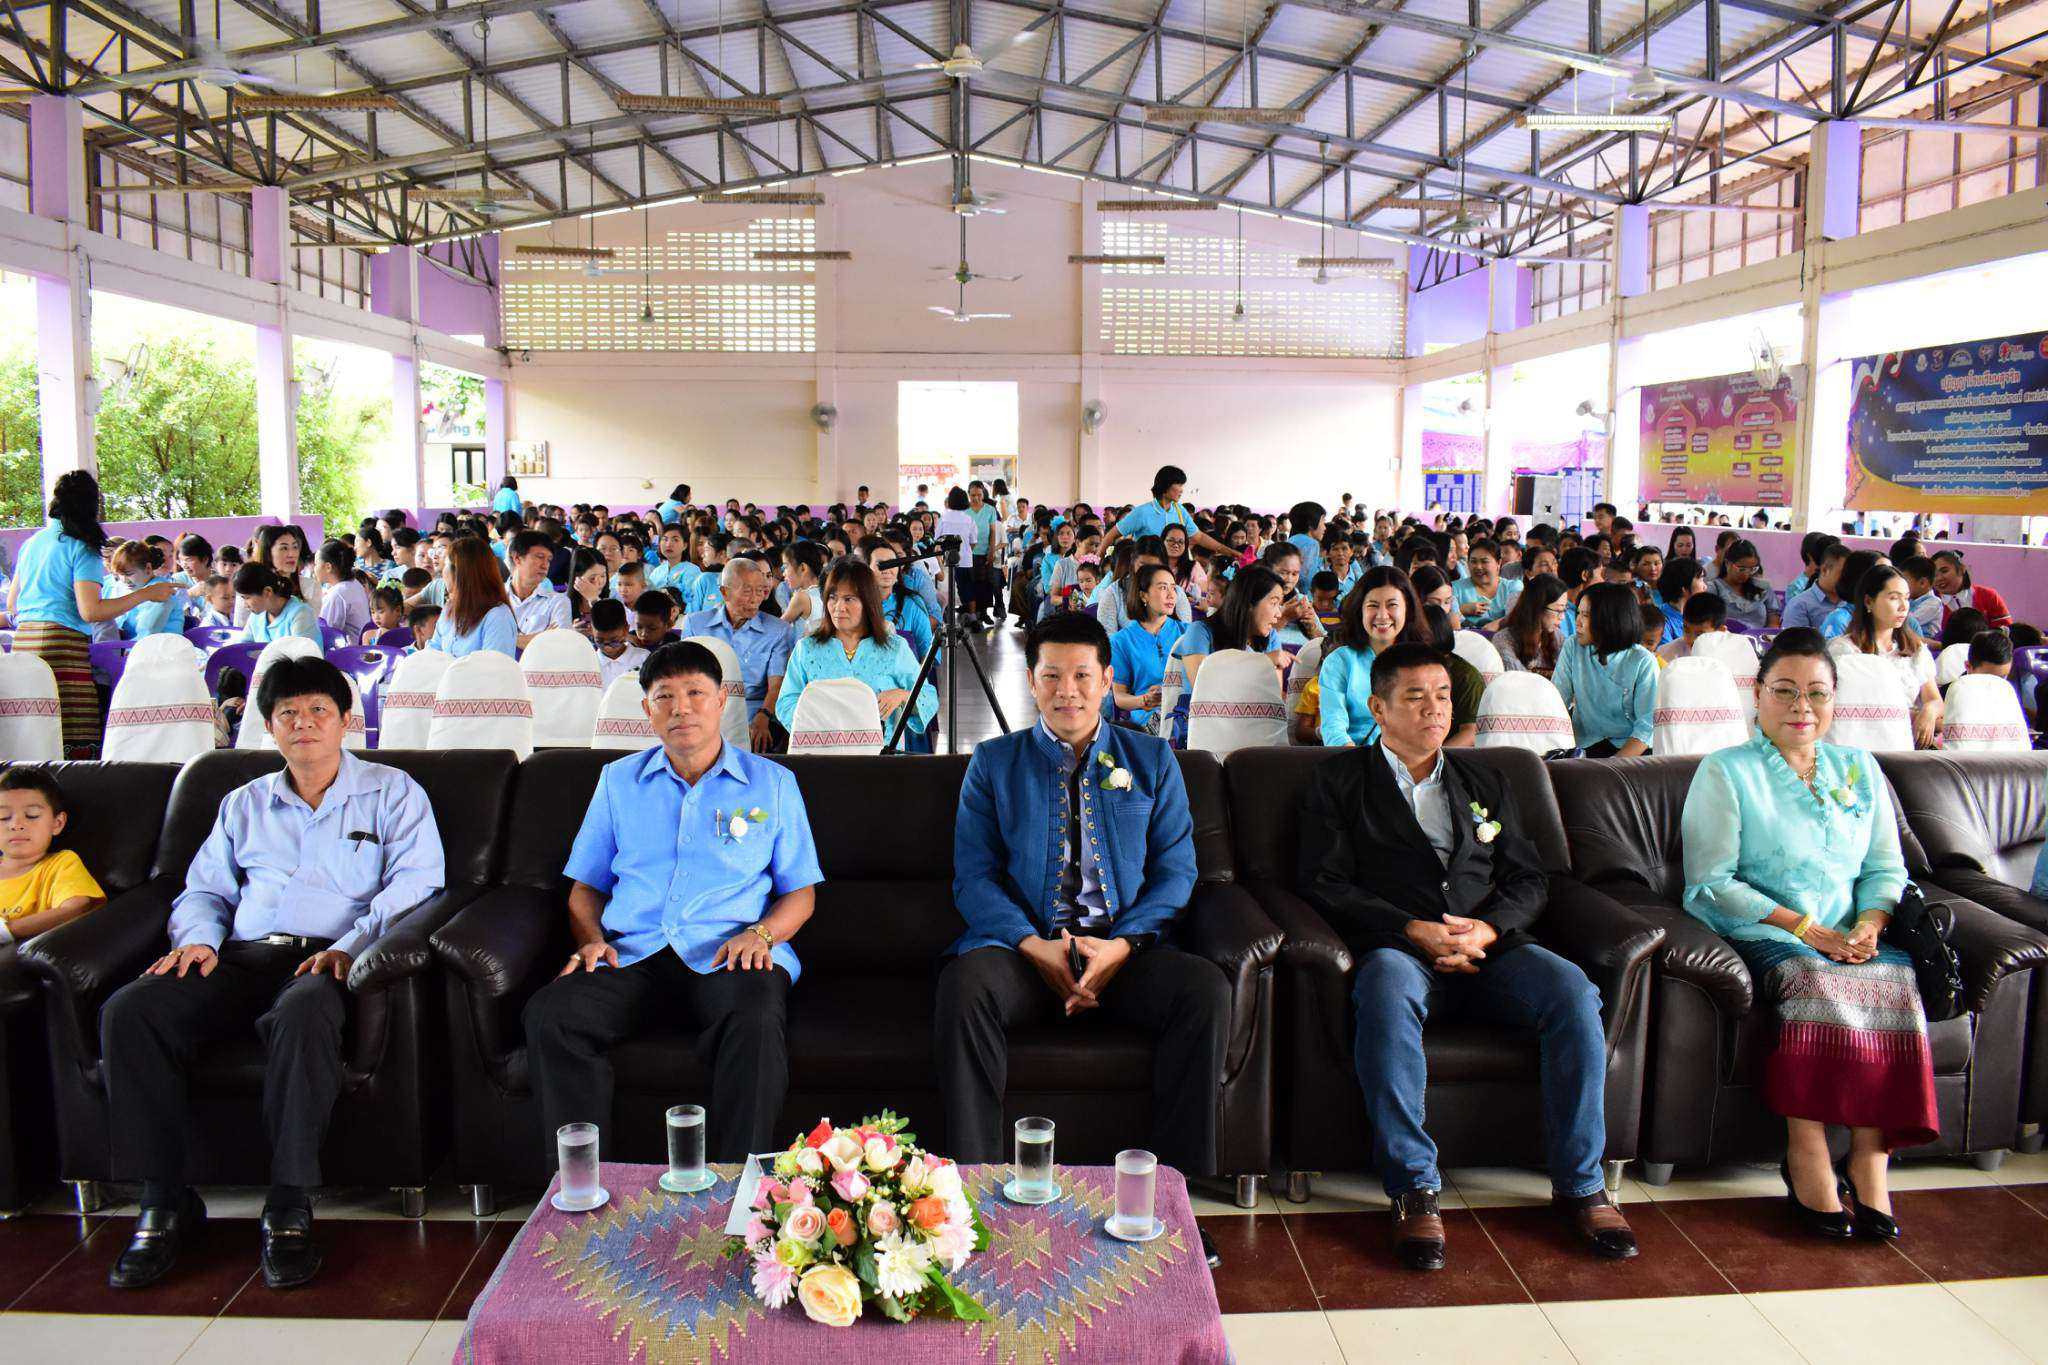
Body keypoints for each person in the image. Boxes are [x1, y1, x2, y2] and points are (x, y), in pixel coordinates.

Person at [97, 658, 445, 1289]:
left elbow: (417, 885)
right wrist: (199, 941)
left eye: (318, 712)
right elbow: (205, 889)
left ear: (346, 721)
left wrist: (352, 946)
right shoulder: (244, 803)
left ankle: (289, 1202)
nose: (303, 724)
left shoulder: (393, 792)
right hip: (241, 954)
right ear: (269, 726)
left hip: (331, 958)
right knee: (132, 1009)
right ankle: (164, 1200)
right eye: (289, 714)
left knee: (303, 1011)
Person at [1301, 641, 1636, 1269]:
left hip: (1491, 947)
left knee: (1573, 991)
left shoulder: (1487, 778)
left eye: (1443, 695)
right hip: (1400, 946)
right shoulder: (1339, 781)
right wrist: (1411, 928)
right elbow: (1325, 882)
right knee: (1384, 993)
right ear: (1378, 707)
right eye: (1415, 697)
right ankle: (1413, 1189)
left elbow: (1530, 878)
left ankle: (1582, 1184)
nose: (1435, 708)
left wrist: (1487, 929)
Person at [937, 613, 1228, 1175]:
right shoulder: (994, 763)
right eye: (1051, 676)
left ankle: (1175, 1186)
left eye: (1081, 675)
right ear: (1030, 681)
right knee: (964, 987)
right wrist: (1032, 945)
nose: (1066, 691)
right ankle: (973, 1185)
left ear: (1106, 679)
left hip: (1124, 952)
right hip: (1025, 954)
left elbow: (1177, 872)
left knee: (1204, 989)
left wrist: (1122, 946)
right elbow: (974, 878)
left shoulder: (1152, 760)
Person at [522, 642, 822, 1162]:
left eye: (695, 693)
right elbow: (585, 887)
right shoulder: (618, 781)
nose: (681, 708)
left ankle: (737, 1185)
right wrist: (590, 940)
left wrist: (762, 935)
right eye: (665, 697)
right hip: (633, 952)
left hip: (730, 952)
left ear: (722, 701)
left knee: (755, 1019)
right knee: (552, 1014)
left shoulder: (772, 783)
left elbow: (801, 892)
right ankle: (585, 1182)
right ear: (647, 709)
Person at [1682, 629, 1935, 1239]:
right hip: (1764, 928)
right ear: (1758, 695)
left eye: (1817, 693)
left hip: (1851, 930)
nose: (1802, 707)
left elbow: (1886, 868)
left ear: (1834, 700)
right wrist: (1806, 929)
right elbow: (1712, 880)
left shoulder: (1859, 768)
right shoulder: (1726, 771)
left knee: (1894, 980)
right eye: (1785, 691)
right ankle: (1808, 1152)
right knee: (1814, 979)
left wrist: (1870, 924)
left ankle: (1869, 1159)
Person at [5, 472, 179, 756]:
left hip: (24, 645)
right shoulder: (81, 548)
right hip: (60, 647)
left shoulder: (33, 543)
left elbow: (13, 605)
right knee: (72, 743)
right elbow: (91, 611)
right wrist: (145, 594)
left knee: (32, 739)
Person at [774, 559, 936, 745]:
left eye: (849, 599)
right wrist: (820, 721)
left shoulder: (894, 648)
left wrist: (902, 695)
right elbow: (786, 702)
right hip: (821, 753)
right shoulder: (806, 649)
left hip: (881, 755)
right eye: (832, 597)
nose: (839, 607)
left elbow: (928, 697)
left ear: (868, 602)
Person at [1165, 564, 1288, 747]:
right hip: (1207, 734)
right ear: (1248, 603)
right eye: (1274, 602)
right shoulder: (1200, 632)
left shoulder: (1270, 639)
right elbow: (1203, 685)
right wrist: (1262, 662)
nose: (1279, 614)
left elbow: (1273, 700)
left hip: (1256, 732)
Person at [0, 768, 106, 971]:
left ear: (57, 823)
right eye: (3, 817)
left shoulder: (61, 864)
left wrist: (8, 930)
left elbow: (75, 909)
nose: (16, 825)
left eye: (31, 816)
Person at [684, 558, 794, 753]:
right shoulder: (696, 625)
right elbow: (685, 679)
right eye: (747, 591)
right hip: (705, 709)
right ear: (724, 592)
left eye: (760, 591)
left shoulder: (778, 631)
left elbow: (776, 685)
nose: (755, 599)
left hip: (752, 711)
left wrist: (764, 716)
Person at [1317, 566, 1435, 749]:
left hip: (1411, 757)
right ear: (1360, 610)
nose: (1382, 615)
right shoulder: (1339, 662)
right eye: (1373, 605)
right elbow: (1333, 727)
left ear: (1408, 609)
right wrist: (1356, 761)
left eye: (1392, 605)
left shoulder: (1424, 662)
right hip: (1354, 757)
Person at [1828, 564, 1942, 748]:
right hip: (1859, 742)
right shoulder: (1844, 651)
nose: (1903, 606)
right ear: (1868, 601)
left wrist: (1928, 711)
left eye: (1906, 598)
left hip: (1904, 743)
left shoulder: (1915, 650)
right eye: (1894, 598)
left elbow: (1935, 699)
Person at [1553, 583, 1658, 757]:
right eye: (1578, 613)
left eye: (1586, 615)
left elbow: (1648, 725)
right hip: (1585, 745)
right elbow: (1557, 701)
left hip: (1631, 749)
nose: (1577, 622)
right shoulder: (1573, 646)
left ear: (1610, 620)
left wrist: (1614, 763)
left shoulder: (1643, 661)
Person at [1109, 564, 1187, 732]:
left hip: (1186, 711)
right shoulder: (1121, 641)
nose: (1171, 594)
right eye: (1163, 587)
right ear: (1143, 595)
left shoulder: (1187, 633)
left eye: (1173, 588)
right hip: (1149, 716)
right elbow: (1119, 697)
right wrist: (1145, 700)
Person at [1105, 464, 1231, 556]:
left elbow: (1200, 537)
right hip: (1146, 571)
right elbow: (1112, 534)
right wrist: (1098, 559)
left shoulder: (1180, 510)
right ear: (1165, 486)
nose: (1182, 490)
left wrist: (1230, 552)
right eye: (1179, 485)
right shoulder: (1143, 512)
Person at [429, 539, 517, 658]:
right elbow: (433, 651)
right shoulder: (449, 608)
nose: (442, 572)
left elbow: (494, 666)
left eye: (445, 565)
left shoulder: (498, 617)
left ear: (460, 573)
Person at [109, 540, 192, 640]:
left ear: (148, 568)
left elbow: (148, 632)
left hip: (161, 646)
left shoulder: (160, 592)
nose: (124, 580)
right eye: (120, 575)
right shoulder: (127, 588)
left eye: (129, 574)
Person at [506, 530, 573, 647]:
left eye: (549, 560)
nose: (545, 565)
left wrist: (505, 638)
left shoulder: (558, 602)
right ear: (517, 558)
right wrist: (540, 639)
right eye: (540, 557)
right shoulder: (492, 597)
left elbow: (558, 645)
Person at [235, 564, 321, 645]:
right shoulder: (256, 616)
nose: (245, 605)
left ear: (267, 592)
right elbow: (243, 647)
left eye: (247, 598)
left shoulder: (301, 615)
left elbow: (304, 654)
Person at [1931, 549, 2011, 630]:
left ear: (1962, 569)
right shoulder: (1930, 602)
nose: (1939, 578)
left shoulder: (1989, 596)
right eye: (1933, 575)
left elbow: (2006, 630)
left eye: (1944, 571)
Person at [1708, 537, 1776, 631]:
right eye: (1741, 569)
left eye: (1752, 569)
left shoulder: (1762, 587)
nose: (1746, 574)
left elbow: (1774, 617)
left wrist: (1767, 635)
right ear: (1727, 563)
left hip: (1759, 638)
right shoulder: (1714, 589)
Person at [1452, 538, 1519, 628]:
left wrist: (1498, 624)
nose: (1478, 567)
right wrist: (1462, 610)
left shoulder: (1513, 587)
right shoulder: (1455, 588)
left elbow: (1519, 616)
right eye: (1473, 561)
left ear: (1498, 563)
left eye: (1484, 561)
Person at [314, 541, 370, 643]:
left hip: (350, 650)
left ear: (328, 567)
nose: (314, 569)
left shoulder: (337, 594)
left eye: (316, 564)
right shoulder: (354, 583)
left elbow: (325, 634)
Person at [1658, 591, 1732, 664]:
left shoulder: (1733, 654)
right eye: (1687, 630)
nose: (1691, 639)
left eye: (1700, 634)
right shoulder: (1668, 654)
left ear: (1721, 631)